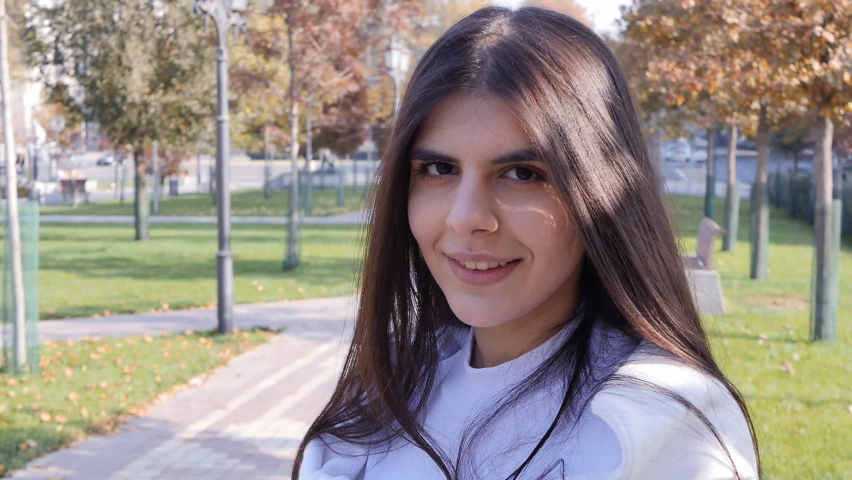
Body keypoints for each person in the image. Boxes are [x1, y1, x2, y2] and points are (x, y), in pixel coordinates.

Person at [294, 6, 760, 480]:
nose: (466, 218)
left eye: (522, 174)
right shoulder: (389, 385)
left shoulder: (657, 426)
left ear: (601, 195)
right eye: (440, 169)